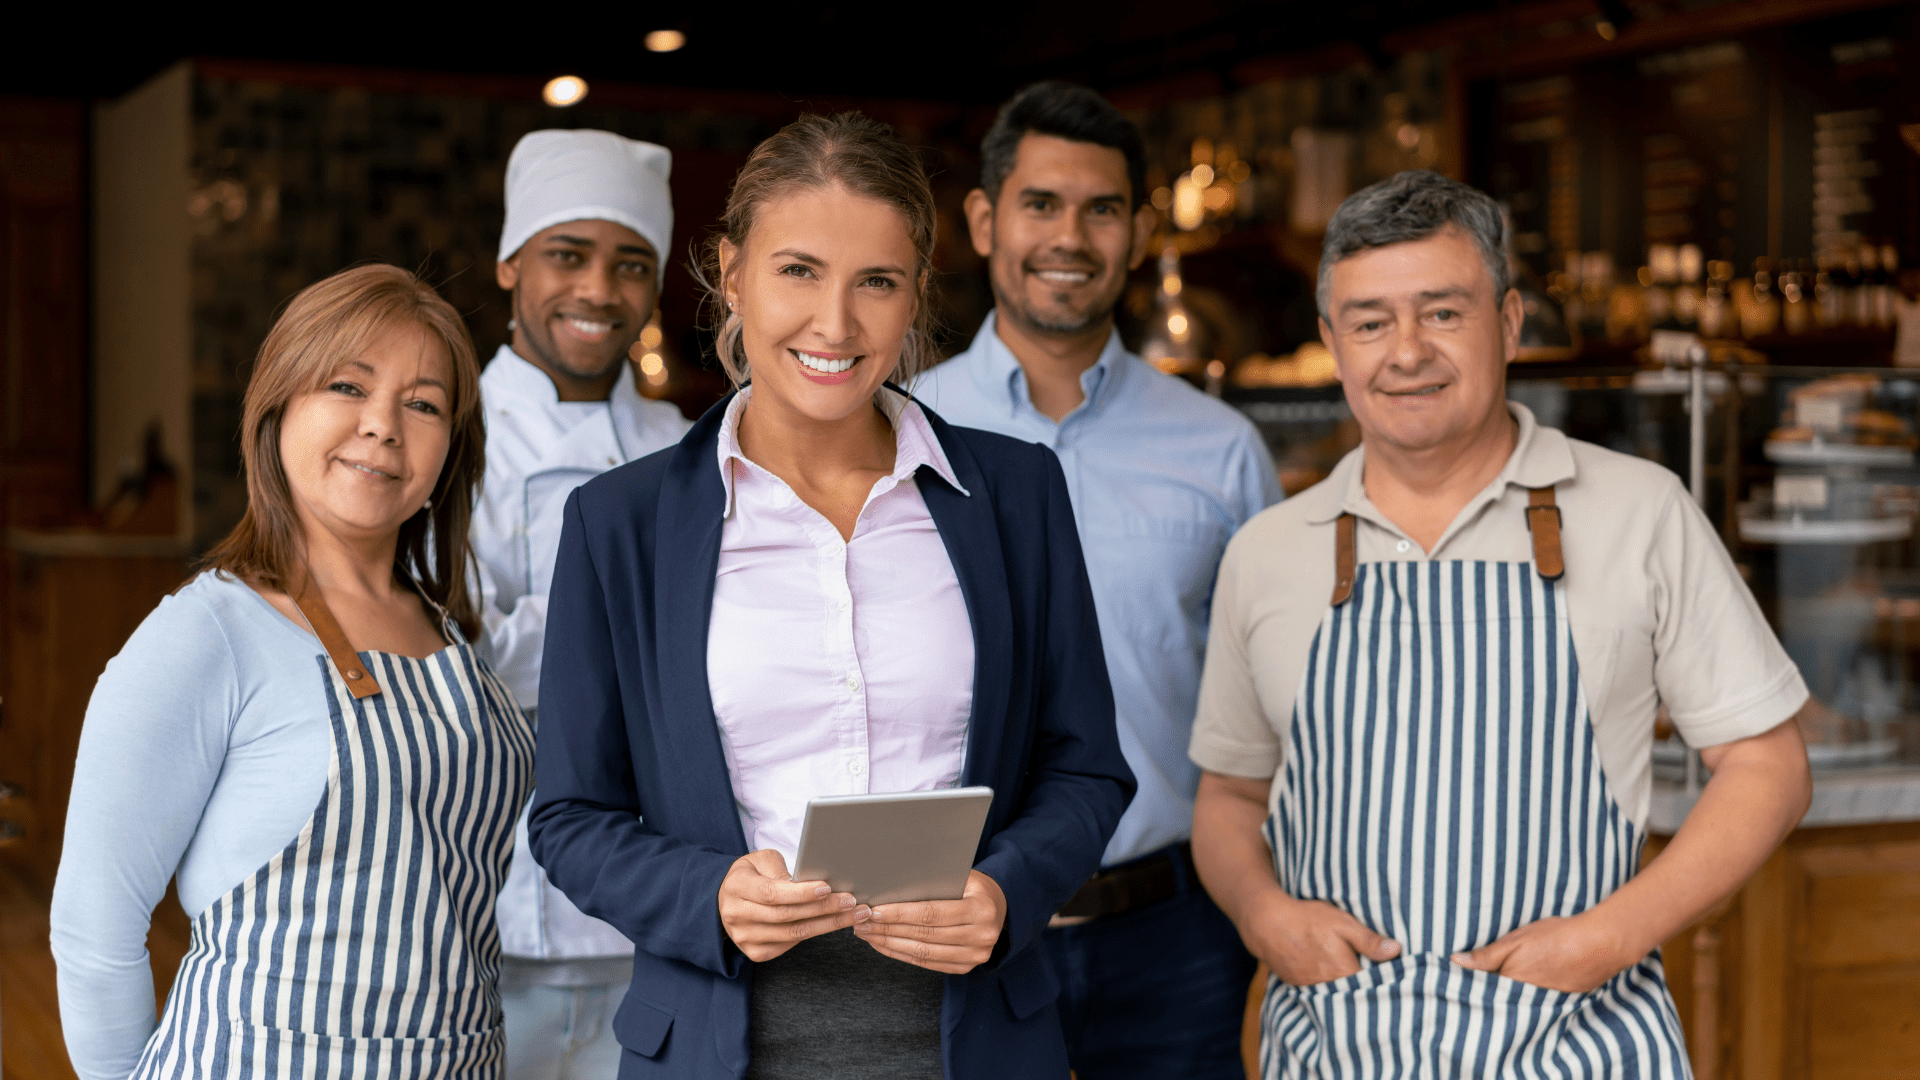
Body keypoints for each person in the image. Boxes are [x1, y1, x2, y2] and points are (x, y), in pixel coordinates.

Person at [526, 112, 1134, 1079]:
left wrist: (1006, 894)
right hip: (717, 1043)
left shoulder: (1017, 495)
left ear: (917, 294)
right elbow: (569, 816)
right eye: (798, 271)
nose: (836, 325)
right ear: (732, 274)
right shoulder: (622, 524)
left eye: (878, 283)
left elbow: (1086, 768)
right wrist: (709, 893)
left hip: (976, 1040)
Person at [1189, 170, 1813, 1078]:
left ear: (1510, 322)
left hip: (1581, 1047)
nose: (1407, 352)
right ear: (1331, 343)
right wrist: (1262, 915)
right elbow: (1230, 797)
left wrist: (1610, 937)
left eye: (1443, 313)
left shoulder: (1641, 510)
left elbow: (1769, 766)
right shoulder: (1270, 549)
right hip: (1337, 1048)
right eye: (1369, 322)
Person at [52, 264, 531, 1078]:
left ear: (449, 451)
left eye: (422, 403)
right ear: (277, 408)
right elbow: (95, 941)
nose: (383, 426)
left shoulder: (455, 641)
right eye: (348, 385)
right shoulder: (205, 636)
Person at [914, 81, 1280, 1077]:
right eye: (1041, 203)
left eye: (1101, 208)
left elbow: (1277, 700)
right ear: (985, 220)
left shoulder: (1222, 450)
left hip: (1171, 936)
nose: (1069, 235)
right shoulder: (895, 431)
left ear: (1136, 230)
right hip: (949, 934)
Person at [474, 128, 692, 1080]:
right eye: (568, 255)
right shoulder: (451, 433)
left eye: (631, 264)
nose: (600, 291)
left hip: (668, 910)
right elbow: (451, 655)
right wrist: (648, 646)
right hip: (499, 916)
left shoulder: (688, 441)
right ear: (511, 265)